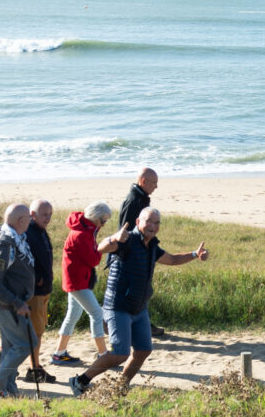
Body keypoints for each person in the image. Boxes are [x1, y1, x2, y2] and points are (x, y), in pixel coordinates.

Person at [67, 208, 211, 396]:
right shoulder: (126, 241)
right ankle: (79, 381)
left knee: (143, 350)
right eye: (149, 221)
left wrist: (194, 254)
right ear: (138, 222)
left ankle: (121, 386)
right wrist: (114, 239)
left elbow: (173, 259)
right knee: (120, 353)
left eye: (157, 222)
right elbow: (101, 248)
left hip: (139, 308)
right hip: (118, 306)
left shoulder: (152, 246)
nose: (153, 226)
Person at [0, 204, 42, 400]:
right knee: (25, 345)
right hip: (9, 306)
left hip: (13, 304)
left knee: (10, 348)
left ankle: (8, 389)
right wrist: (17, 303)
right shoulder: (6, 245)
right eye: (28, 219)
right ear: (21, 221)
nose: (30, 222)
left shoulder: (15, 239)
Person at [52, 201, 112, 364]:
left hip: (77, 279)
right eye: (103, 221)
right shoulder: (81, 234)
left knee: (73, 315)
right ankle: (103, 354)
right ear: (95, 218)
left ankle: (59, 353)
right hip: (77, 281)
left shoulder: (86, 229)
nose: (104, 225)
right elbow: (93, 260)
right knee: (97, 314)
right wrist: (105, 247)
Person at [113, 167, 165, 338]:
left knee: (143, 288)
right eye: (154, 183)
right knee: (135, 289)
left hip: (141, 252)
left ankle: (144, 324)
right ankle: (139, 325)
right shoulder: (134, 200)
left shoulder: (141, 198)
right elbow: (126, 230)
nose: (156, 187)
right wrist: (135, 251)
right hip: (131, 255)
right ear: (143, 181)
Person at [19, 199, 58, 383]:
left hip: (43, 290)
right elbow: (23, 261)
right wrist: (37, 279)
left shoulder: (40, 231)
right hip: (34, 291)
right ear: (32, 215)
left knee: (37, 331)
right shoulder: (28, 233)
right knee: (35, 333)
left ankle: (33, 366)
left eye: (50, 214)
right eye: (44, 214)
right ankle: (34, 369)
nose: (48, 218)